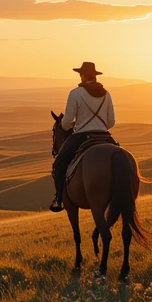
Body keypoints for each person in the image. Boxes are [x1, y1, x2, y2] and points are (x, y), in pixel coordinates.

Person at [49, 61, 116, 212]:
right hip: (105, 136)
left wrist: (68, 126)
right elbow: (111, 121)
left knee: (58, 164)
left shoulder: (75, 93)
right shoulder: (107, 94)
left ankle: (58, 200)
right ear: (95, 75)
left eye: (80, 73)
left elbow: (66, 122)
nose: (80, 76)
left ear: (83, 75)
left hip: (82, 136)